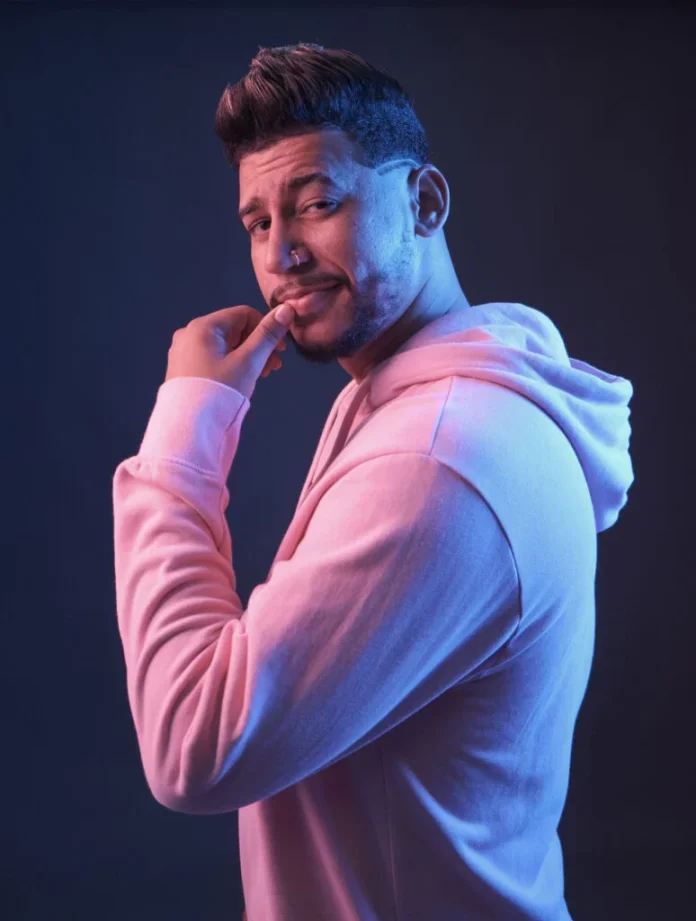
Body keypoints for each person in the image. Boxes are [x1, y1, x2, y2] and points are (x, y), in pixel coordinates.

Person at [112, 42, 634, 920]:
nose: (281, 254)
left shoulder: (435, 461)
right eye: (257, 223)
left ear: (424, 202)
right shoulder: (439, 402)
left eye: (318, 203)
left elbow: (194, 745)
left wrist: (185, 434)